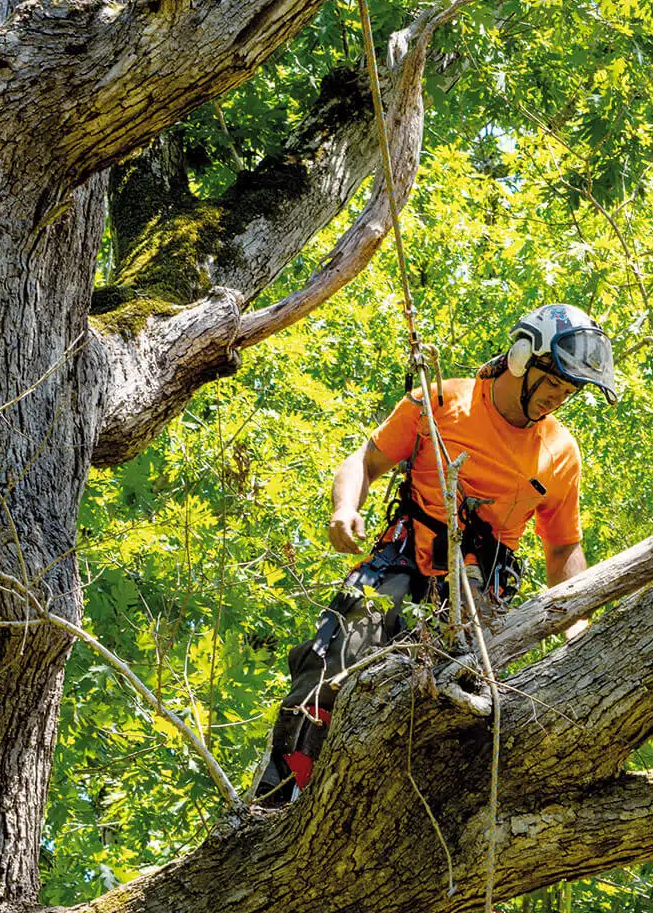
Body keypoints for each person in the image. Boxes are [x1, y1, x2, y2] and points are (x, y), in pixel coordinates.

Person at [252, 303, 619, 809]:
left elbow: (562, 548)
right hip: (403, 559)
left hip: (479, 591)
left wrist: (576, 623)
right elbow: (366, 459)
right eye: (553, 380)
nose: (559, 396)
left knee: (448, 718)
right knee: (332, 667)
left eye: (570, 389)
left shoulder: (559, 452)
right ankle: (275, 800)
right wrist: (345, 509)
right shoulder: (442, 400)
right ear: (520, 357)